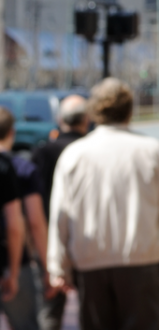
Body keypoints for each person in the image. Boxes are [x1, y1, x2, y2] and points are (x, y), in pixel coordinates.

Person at [48, 78, 159, 330]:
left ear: (94, 111)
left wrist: (59, 267)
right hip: (142, 259)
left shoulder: (74, 155)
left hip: (90, 261)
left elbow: (60, 215)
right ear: (130, 109)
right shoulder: (152, 150)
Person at [30, 94, 87, 330]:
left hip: (50, 237)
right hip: (89, 240)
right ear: (86, 119)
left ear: (58, 119)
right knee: (93, 310)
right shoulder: (90, 151)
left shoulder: (42, 153)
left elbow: (35, 204)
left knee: (51, 309)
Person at [0, 108, 38, 330]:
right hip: (6, 261)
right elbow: (15, 225)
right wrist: (13, 273)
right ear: (11, 132)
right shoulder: (5, 166)